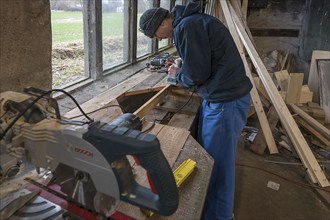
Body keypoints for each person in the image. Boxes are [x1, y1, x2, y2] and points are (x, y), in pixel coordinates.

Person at [139, 2, 252, 220]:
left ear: (164, 21)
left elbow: (196, 75)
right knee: (217, 159)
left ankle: (219, 216)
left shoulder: (186, 27)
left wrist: (177, 73)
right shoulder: (192, 21)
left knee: (217, 166)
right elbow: (203, 59)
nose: (158, 39)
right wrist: (184, 62)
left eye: (155, 33)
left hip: (224, 102)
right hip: (225, 98)